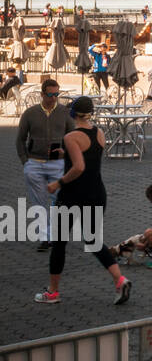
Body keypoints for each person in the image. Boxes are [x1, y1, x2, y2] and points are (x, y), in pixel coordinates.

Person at [35, 95, 132, 305]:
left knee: (59, 242)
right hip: (97, 192)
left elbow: (79, 167)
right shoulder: (99, 133)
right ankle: (120, 279)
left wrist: (58, 183)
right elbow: (89, 156)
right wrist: (66, 154)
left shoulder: (71, 137)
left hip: (72, 195)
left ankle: (52, 292)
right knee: (93, 240)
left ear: (72, 113)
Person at [16, 79, 74, 250]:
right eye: (50, 94)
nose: (53, 98)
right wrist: (25, 161)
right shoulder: (30, 113)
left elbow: (72, 135)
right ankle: (45, 237)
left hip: (57, 164)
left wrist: (67, 153)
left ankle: (55, 235)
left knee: (58, 200)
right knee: (40, 203)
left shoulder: (64, 112)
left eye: (57, 94)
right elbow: (20, 139)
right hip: (34, 162)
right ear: (42, 94)